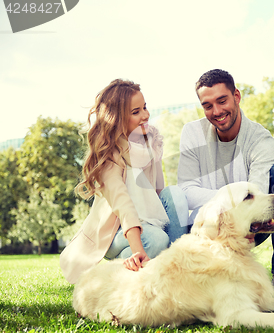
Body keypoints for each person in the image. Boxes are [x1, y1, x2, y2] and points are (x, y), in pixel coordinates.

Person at [177, 69, 274, 300]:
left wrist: (233, 202)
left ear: (237, 96)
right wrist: (231, 199)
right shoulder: (192, 133)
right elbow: (185, 191)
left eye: (222, 101)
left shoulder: (260, 140)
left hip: (247, 224)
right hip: (205, 227)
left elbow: (256, 194)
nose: (216, 111)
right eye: (207, 105)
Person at [60, 79, 189, 284]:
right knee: (156, 240)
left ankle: (178, 272)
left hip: (150, 221)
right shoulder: (108, 157)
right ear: (117, 118)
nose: (145, 115)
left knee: (175, 194)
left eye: (145, 107)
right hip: (117, 230)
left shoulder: (150, 144)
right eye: (135, 112)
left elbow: (158, 192)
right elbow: (123, 206)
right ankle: (127, 265)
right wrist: (139, 250)